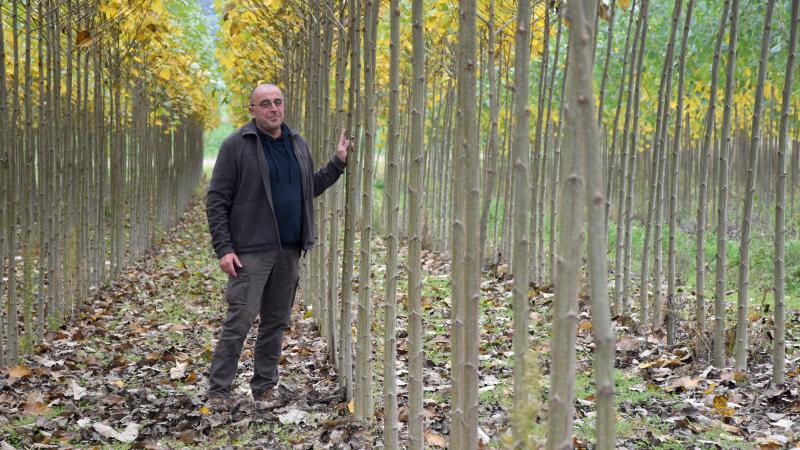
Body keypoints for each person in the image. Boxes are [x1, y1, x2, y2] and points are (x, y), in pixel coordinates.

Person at [205, 84, 349, 406]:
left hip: (289, 248)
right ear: (252, 109)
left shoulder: (297, 143)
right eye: (265, 103)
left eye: (278, 102)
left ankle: (265, 386)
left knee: (276, 321)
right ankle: (218, 391)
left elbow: (306, 187)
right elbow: (217, 199)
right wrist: (224, 248)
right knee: (240, 318)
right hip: (250, 251)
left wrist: (337, 163)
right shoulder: (236, 146)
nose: (274, 109)